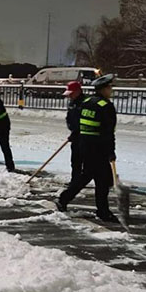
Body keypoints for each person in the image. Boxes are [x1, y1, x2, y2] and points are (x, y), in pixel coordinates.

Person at [56, 74, 119, 223]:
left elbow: (80, 124)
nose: (111, 90)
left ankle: (65, 198)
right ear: (103, 89)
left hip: (85, 145)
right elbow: (107, 132)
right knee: (100, 180)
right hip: (98, 148)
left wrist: (75, 135)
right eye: (109, 87)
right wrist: (111, 151)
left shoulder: (88, 102)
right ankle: (102, 212)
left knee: (88, 175)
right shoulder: (105, 106)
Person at [63, 81, 85, 185]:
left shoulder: (85, 103)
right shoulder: (72, 103)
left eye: (71, 93)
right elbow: (70, 117)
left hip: (84, 137)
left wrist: (78, 131)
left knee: (86, 161)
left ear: (78, 91)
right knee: (75, 161)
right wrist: (72, 129)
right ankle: (75, 180)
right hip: (75, 136)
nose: (70, 96)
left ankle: (83, 180)